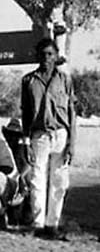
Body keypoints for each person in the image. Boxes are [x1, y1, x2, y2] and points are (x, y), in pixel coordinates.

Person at [21, 38, 76, 239]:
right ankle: (38, 224)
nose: (46, 58)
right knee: (37, 179)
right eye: (42, 54)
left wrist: (72, 142)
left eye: (50, 54)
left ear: (55, 56)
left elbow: (72, 113)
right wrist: (25, 141)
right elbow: (25, 113)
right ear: (37, 56)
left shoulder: (65, 80)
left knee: (60, 182)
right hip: (39, 135)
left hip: (61, 134)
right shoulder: (28, 81)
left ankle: (52, 224)